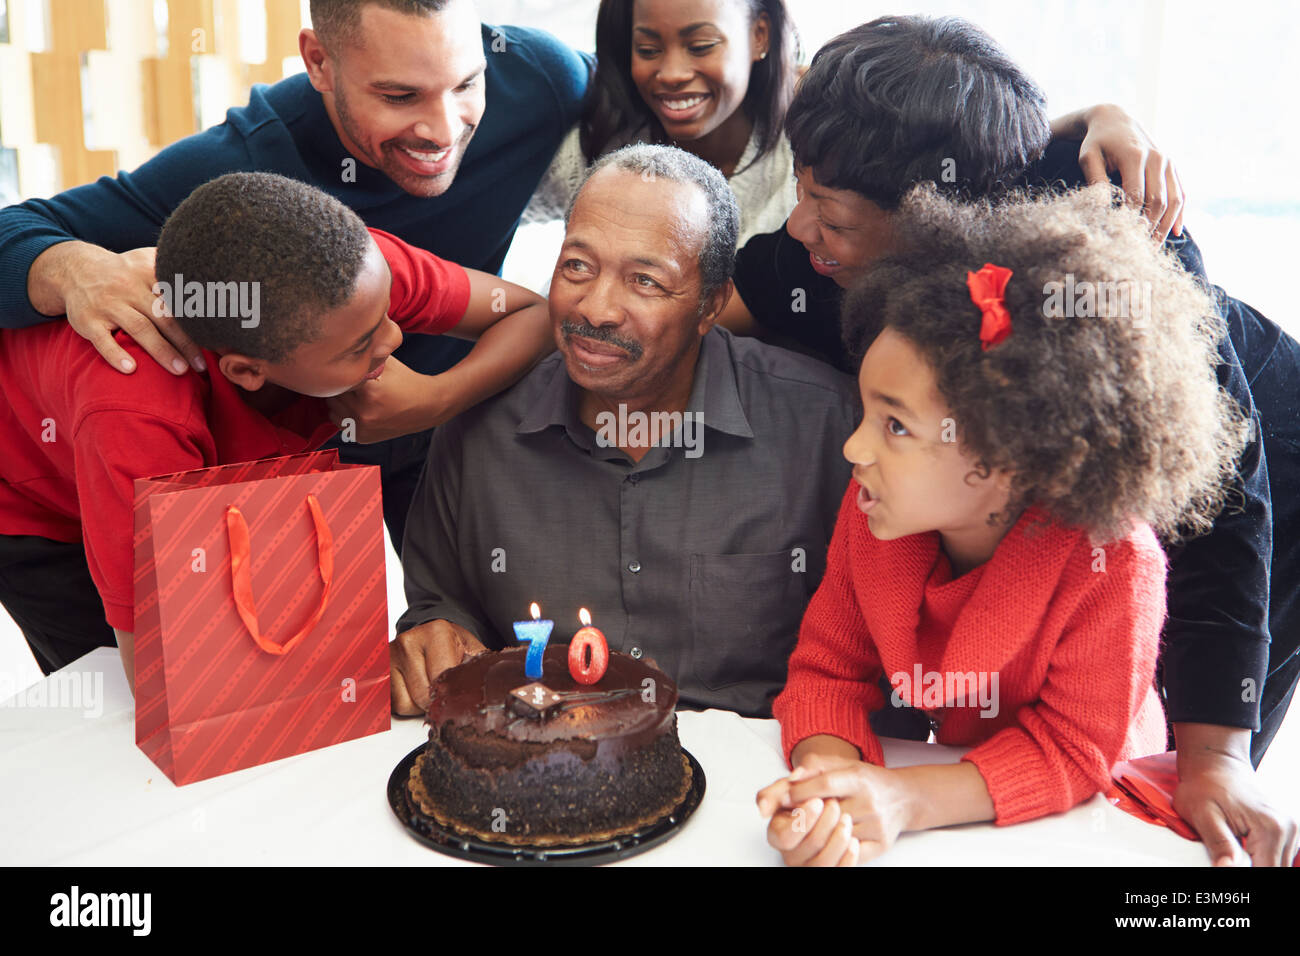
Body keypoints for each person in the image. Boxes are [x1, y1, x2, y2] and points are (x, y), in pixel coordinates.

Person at [722, 13, 1298, 867]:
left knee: (1168, 770)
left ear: (936, 224)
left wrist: (1214, 757)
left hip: (1254, 471)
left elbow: (1230, 511)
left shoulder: (1110, 248)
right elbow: (695, 310)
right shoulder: (827, 249)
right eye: (799, 190)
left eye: (832, 216)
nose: (801, 227)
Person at [755, 184, 1255, 866]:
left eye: (895, 425)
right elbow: (827, 673)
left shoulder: (1116, 566)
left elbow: (1074, 749)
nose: (855, 449)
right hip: (963, 795)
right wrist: (827, 790)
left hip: (1092, 826)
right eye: (867, 412)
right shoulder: (874, 504)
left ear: (1006, 459)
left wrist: (904, 800)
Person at [0, 0, 590, 545]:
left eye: (466, 83)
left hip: (442, 408)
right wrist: (74, 267)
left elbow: (661, 112)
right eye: (399, 97)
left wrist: (437, 400)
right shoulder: (236, 172)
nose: (443, 129)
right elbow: (17, 231)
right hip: (280, 446)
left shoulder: (543, 78)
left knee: (491, 628)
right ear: (319, 62)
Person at [0, 171, 552, 685]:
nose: (395, 339)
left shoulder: (346, 275)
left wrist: (437, 399)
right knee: (125, 721)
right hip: (42, 501)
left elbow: (531, 314)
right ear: (247, 371)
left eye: (390, 312)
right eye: (361, 347)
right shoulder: (137, 411)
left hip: (206, 446)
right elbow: (155, 673)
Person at [390, 144, 856, 717]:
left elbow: (875, 659)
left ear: (712, 304)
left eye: (645, 281)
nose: (597, 309)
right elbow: (441, 603)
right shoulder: (479, 422)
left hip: (763, 779)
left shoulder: (829, 425)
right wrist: (435, 629)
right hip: (544, 769)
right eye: (577, 267)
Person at [523, 0, 1175, 248]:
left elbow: (959, 135)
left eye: (700, 45)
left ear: (757, 35)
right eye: (647, 47)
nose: (672, 72)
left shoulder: (813, 113)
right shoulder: (598, 143)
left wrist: (1093, 115)